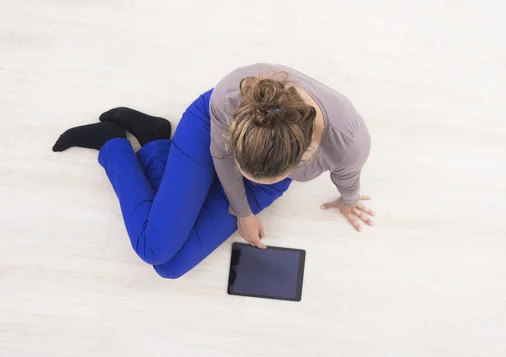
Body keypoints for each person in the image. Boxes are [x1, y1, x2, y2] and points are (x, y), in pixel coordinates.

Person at [52, 63, 374, 278]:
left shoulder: (349, 141)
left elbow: (347, 177)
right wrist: (242, 211)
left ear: (297, 159)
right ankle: (113, 145)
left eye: (255, 178)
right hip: (211, 133)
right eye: (244, 169)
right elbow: (223, 158)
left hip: (246, 154)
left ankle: (155, 140)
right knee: (153, 247)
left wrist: (348, 201)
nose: (243, 175)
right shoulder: (232, 93)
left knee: (169, 267)